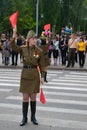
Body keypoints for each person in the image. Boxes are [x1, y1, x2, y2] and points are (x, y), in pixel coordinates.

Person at [12, 27, 45, 126]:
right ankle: (24, 118)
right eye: (33, 38)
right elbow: (13, 46)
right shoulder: (23, 48)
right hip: (25, 74)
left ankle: (33, 117)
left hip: (34, 74)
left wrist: (42, 76)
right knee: (25, 97)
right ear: (28, 39)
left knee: (33, 97)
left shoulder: (38, 51)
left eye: (35, 38)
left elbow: (42, 64)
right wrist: (14, 34)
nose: (35, 40)